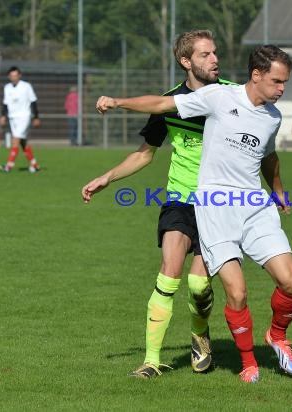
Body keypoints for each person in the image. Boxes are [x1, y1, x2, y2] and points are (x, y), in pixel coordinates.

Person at [92, 45, 292, 384]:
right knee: (219, 287)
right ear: (257, 75)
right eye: (277, 81)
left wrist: (277, 189)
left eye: (285, 83)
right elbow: (161, 107)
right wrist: (118, 102)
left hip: (255, 206)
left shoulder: (273, 117)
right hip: (210, 205)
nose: (282, 89)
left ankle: (276, 336)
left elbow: (268, 156)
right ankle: (242, 364)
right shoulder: (220, 97)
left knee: (290, 281)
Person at [82, 30, 229, 378]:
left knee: (198, 287)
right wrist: (107, 177)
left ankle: (199, 333)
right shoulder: (169, 101)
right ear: (186, 61)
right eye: (206, 54)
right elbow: (144, 154)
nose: (214, 60)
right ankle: (151, 360)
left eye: (215, 53)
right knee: (169, 273)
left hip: (220, 203)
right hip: (180, 198)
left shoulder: (232, 96)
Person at [0, 66, 41, 173]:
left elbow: (33, 101)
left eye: (16, 75)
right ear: (9, 76)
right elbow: (5, 103)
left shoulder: (26, 86)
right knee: (23, 142)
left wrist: (36, 117)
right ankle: (34, 165)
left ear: (19, 76)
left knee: (15, 140)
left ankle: (8, 166)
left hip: (24, 116)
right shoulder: (7, 87)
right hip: (13, 118)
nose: (14, 78)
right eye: (12, 76)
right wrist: (3, 115)